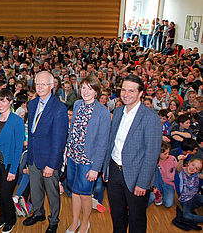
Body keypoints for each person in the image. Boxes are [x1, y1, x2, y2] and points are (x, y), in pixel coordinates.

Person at [103, 74, 162, 233]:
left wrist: (143, 183)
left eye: (131, 91)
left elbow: (152, 154)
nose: (126, 94)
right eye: (123, 90)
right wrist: (106, 169)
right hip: (115, 172)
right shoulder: (118, 111)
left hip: (136, 176)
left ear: (140, 93)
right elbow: (111, 144)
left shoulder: (151, 118)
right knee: (117, 215)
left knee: (136, 220)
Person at [22, 71, 68, 233]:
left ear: (52, 86)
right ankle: (39, 213)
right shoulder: (33, 103)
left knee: (53, 193)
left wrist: (52, 164)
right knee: (35, 190)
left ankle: (54, 220)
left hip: (49, 160)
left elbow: (59, 140)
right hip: (33, 156)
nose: (40, 87)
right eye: (38, 84)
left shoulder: (59, 108)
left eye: (44, 84)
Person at [65, 76, 111, 233]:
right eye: (83, 88)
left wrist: (96, 167)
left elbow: (103, 142)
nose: (86, 91)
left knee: (84, 194)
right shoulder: (77, 104)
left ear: (96, 92)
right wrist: (67, 151)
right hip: (72, 157)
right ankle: (75, 221)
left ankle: (85, 222)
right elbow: (73, 130)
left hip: (88, 161)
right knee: (74, 192)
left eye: (90, 88)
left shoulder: (103, 112)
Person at [0, 89, 25, 233]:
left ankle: (11, 219)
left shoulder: (17, 121)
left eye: (3, 101)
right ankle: (2, 217)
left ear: (10, 102)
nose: (0, 104)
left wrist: (13, 170)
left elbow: (18, 148)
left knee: (6, 194)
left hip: (9, 164)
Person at [176, 156, 203, 223]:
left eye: (196, 168)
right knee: (186, 216)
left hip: (195, 196)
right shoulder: (181, 172)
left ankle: (194, 207)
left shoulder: (196, 174)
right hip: (185, 200)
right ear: (189, 163)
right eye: (193, 165)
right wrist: (181, 160)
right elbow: (178, 169)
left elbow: (201, 176)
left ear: (198, 171)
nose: (193, 168)